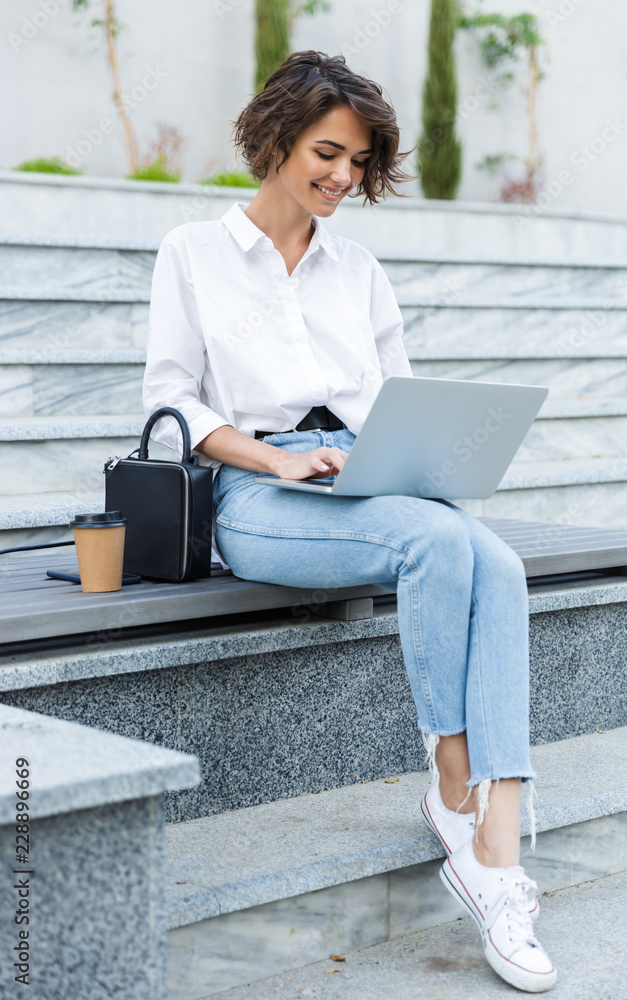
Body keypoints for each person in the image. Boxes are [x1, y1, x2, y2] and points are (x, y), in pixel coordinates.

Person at [143, 49, 556, 993]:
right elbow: (172, 400)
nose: (342, 176)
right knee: (440, 541)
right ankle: (452, 786)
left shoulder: (357, 267)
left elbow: (390, 394)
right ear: (278, 139)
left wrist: (415, 453)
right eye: (327, 153)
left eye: (359, 163)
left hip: (363, 478)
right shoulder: (194, 253)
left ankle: (496, 848)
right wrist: (278, 456)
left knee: (497, 565)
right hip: (255, 493)